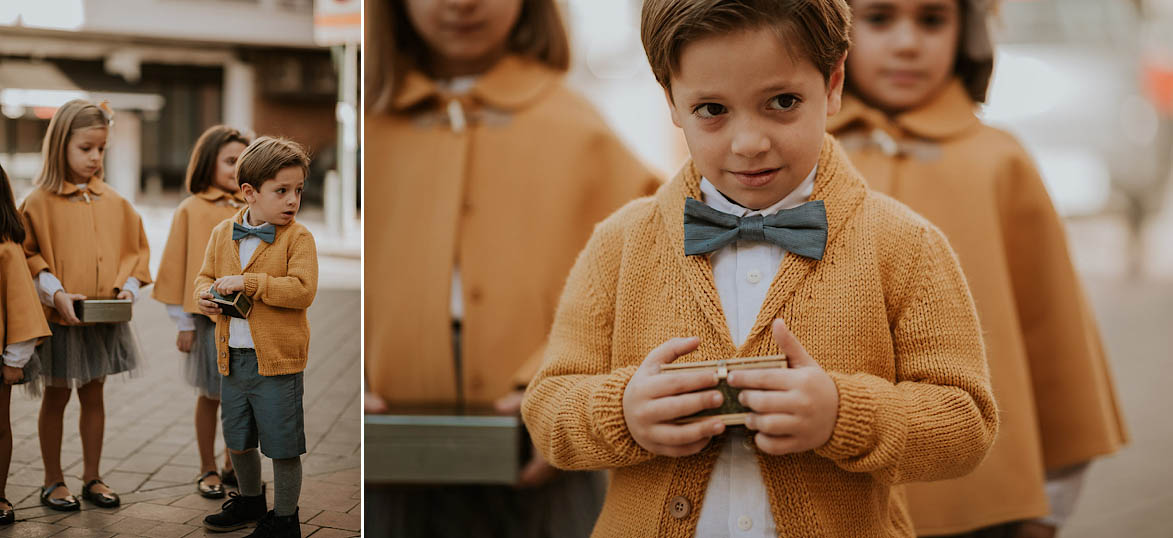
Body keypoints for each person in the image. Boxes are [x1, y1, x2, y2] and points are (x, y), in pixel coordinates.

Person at [521, 1, 999, 536]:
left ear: (834, 82)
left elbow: (966, 422)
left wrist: (845, 413)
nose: (749, 144)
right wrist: (621, 413)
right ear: (671, 101)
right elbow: (547, 409)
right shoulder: (618, 246)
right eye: (711, 110)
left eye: (783, 101)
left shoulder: (906, 245)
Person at [827, 1, 1127, 535]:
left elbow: (1052, 334)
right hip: (832, 493)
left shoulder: (1000, 161)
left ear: (966, 29)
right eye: (878, 19)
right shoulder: (801, 160)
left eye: (932, 20)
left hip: (983, 504)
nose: (907, 43)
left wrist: (1049, 501)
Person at [364, 0, 659, 535]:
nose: (462, 3)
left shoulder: (579, 128)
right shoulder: (364, 128)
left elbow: (652, 275)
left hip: (546, 460)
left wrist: (565, 375)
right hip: (381, 465)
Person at [20, 99, 151, 511]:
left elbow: (136, 252)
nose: (95, 157)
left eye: (101, 149)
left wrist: (127, 286)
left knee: (95, 395)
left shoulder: (116, 202)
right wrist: (55, 292)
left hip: (103, 319)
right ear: (60, 145)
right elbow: (27, 256)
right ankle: (53, 480)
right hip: (59, 319)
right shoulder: (38, 202)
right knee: (56, 397)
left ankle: (92, 476)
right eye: (86, 148)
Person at [195, 136, 317, 538]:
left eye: (297, 190)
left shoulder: (297, 238)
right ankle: (249, 501)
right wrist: (205, 297)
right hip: (233, 356)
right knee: (238, 438)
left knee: (282, 444)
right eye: (281, 190)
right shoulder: (220, 234)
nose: (292, 200)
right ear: (249, 192)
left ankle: (285, 520)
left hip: (278, 362)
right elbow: (205, 277)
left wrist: (250, 282)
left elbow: (302, 290)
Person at [154, 125, 252, 499]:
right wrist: (183, 323)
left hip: (247, 320)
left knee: (241, 396)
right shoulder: (190, 209)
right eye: (230, 160)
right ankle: (207, 467)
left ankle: (234, 463)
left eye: (243, 160)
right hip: (206, 320)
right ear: (207, 162)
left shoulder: (253, 209)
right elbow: (176, 267)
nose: (236, 167)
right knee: (211, 394)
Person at [0, 163, 52, 524]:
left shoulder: (6, 246)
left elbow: (21, 301)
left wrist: (15, 358)